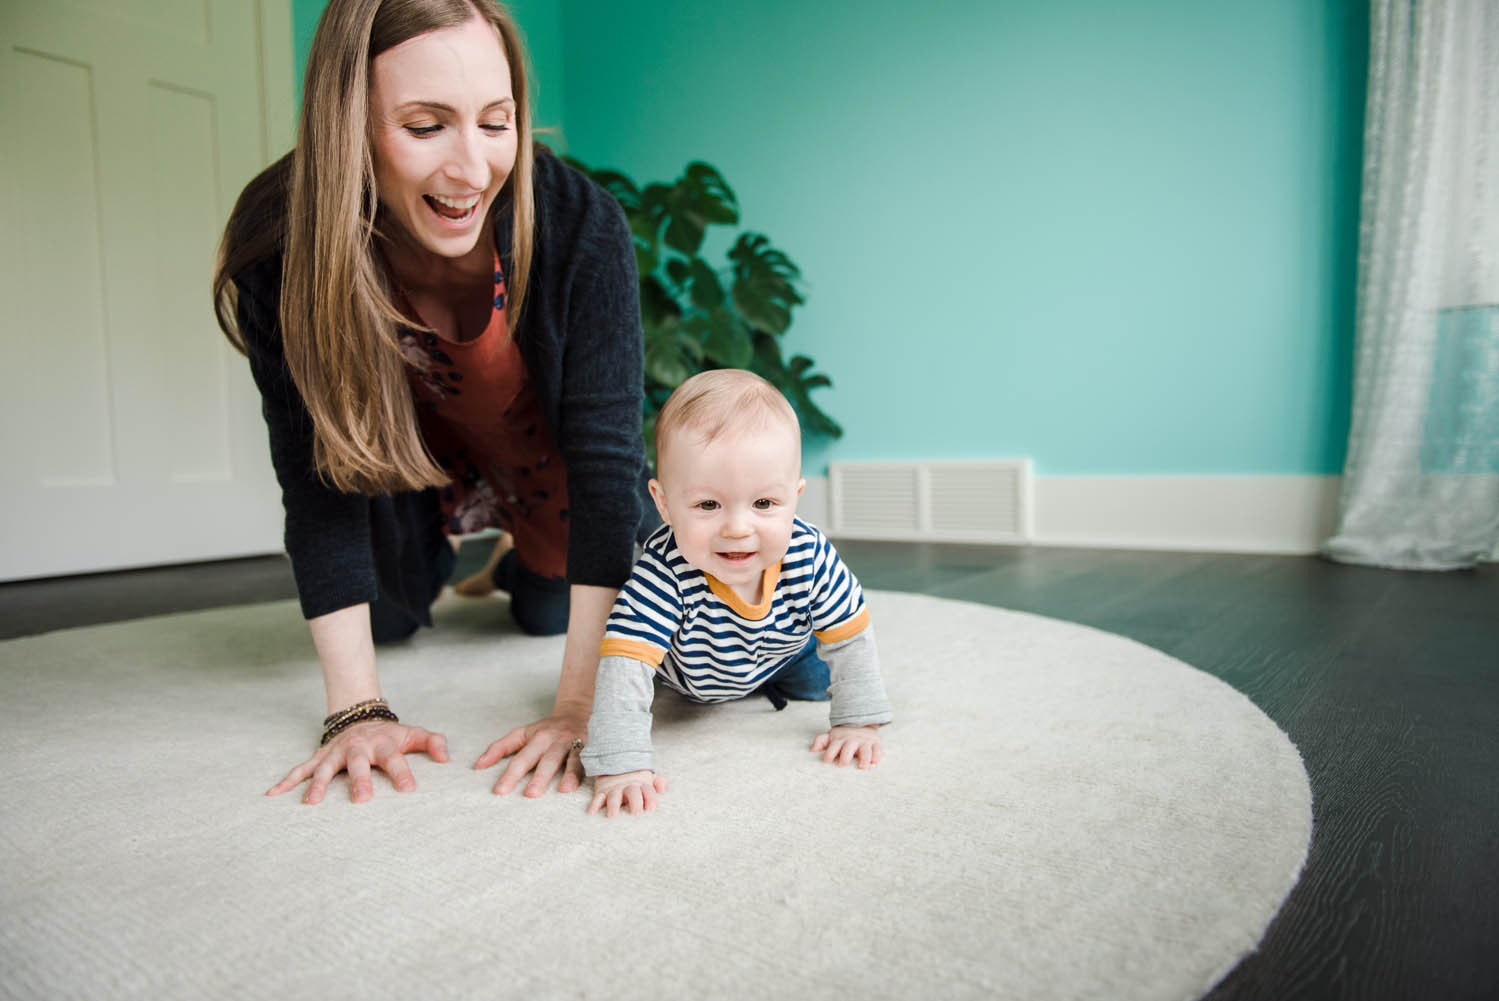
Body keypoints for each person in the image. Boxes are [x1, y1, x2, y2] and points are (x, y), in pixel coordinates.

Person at [211, 0, 654, 805]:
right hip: (402, 467)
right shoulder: (281, 238)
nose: (472, 168)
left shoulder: (582, 225)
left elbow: (606, 465)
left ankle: (515, 561)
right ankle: (447, 551)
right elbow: (312, 479)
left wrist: (581, 707)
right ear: (347, 126)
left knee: (550, 612)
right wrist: (356, 708)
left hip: (542, 466)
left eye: (496, 122)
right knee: (385, 618)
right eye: (424, 127)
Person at [581, 370, 893, 818]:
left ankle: (771, 679)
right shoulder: (664, 572)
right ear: (664, 503)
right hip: (688, 671)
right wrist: (622, 763)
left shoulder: (809, 553)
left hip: (783, 652)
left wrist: (858, 724)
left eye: (765, 504)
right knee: (636, 691)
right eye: (708, 505)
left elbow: (850, 636)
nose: (738, 529)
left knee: (823, 684)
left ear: (795, 498)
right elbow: (624, 664)